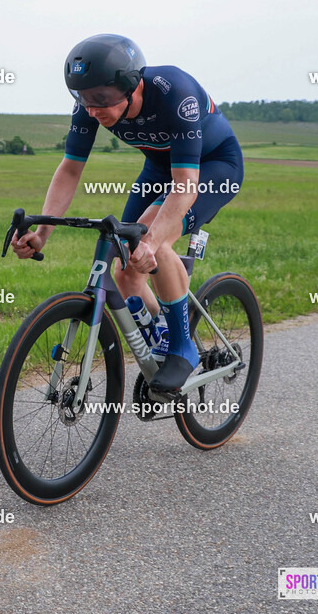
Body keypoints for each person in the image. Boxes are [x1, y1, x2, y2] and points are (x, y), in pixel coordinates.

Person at [12, 33, 243, 394]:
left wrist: (152, 239)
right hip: (158, 168)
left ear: (131, 85)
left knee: (154, 240)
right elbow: (70, 169)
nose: (92, 109)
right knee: (125, 268)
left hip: (211, 168)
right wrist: (41, 231)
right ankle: (163, 336)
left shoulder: (174, 93)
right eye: (82, 98)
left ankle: (183, 348)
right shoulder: (91, 105)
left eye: (100, 99)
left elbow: (185, 183)